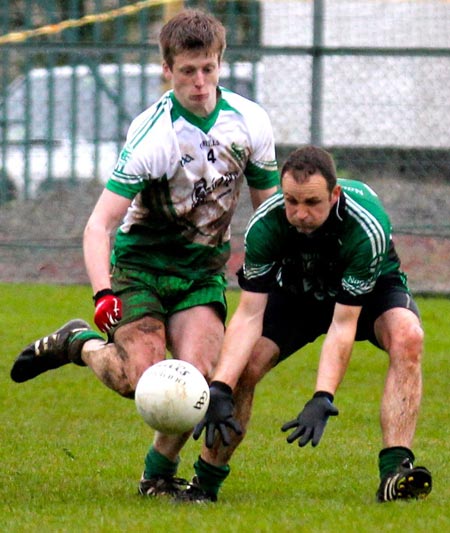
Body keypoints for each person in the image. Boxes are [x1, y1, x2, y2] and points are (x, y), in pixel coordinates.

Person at [10, 9, 279, 501]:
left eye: (208, 69)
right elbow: (99, 225)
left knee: (199, 385)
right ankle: (79, 344)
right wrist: (103, 293)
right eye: (187, 72)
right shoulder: (153, 135)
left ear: (221, 62)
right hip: (140, 272)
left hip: (200, 274)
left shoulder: (250, 122)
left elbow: (269, 211)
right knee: (142, 380)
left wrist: (275, 275)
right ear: (166, 70)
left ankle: (157, 475)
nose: (199, 83)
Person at [192, 145, 432, 503]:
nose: (300, 214)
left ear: (335, 195)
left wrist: (323, 396)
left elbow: (342, 323)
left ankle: (396, 472)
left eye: (312, 203)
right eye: (291, 201)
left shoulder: (365, 226)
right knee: (244, 367)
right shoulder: (266, 224)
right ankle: (204, 486)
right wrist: (221, 386)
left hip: (368, 292)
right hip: (297, 292)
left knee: (408, 337)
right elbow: (249, 315)